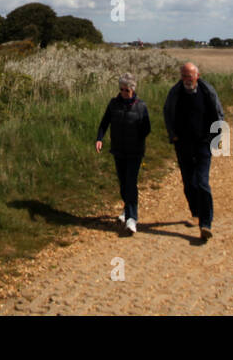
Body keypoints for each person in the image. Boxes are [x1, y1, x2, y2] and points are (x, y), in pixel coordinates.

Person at [163, 62, 224, 240]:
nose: (186, 79)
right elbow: (167, 112)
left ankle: (206, 224)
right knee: (189, 183)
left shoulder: (207, 91)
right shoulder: (175, 92)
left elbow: (218, 114)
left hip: (204, 143)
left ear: (197, 75)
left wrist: (217, 137)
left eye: (189, 76)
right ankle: (195, 213)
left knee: (202, 182)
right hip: (183, 144)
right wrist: (172, 134)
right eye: (183, 76)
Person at [96, 73, 151, 233]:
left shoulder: (141, 106)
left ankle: (131, 219)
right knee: (122, 183)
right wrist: (100, 138)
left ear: (132, 89)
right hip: (118, 150)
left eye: (126, 90)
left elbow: (146, 128)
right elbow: (104, 122)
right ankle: (127, 209)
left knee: (130, 183)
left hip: (135, 152)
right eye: (121, 89)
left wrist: (137, 140)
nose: (123, 92)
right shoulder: (114, 104)